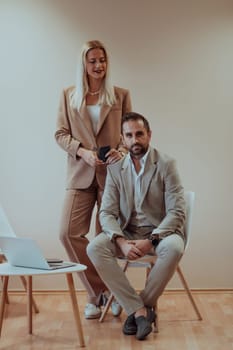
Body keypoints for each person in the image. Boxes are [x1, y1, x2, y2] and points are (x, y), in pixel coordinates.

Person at [87, 112, 185, 340]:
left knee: (175, 249)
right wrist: (120, 241)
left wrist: (151, 239)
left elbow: (177, 212)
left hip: (161, 232)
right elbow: (107, 212)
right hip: (127, 232)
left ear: (149, 135)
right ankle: (140, 311)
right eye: (129, 135)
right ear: (123, 139)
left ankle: (139, 308)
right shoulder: (115, 168)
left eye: (139, 134)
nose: (135, 140)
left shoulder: (166, 164)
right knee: (95, 248)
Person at [55, 40, 132, 319]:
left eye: (103, 60)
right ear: (84, 65)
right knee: (67, 233)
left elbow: (128, 134)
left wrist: (120, 152)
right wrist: (83, 152)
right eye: (93, 61)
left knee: (104, 239)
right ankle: (99, 291)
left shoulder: (120, 95)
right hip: (80, 173)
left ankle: (106, 296)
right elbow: (61, 133)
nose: (99, 66)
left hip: (112, 176)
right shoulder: (69, 94)